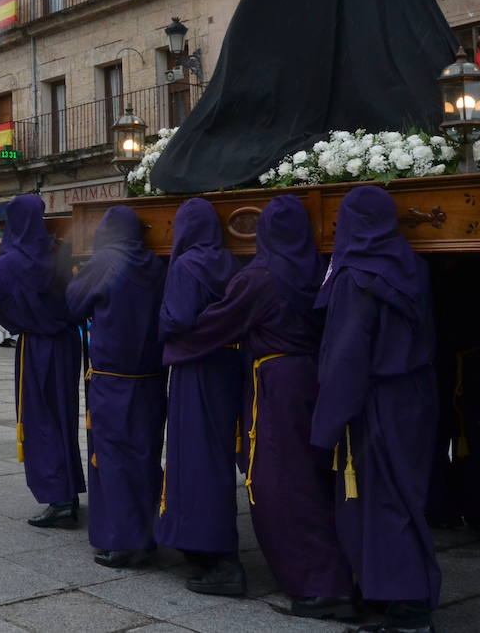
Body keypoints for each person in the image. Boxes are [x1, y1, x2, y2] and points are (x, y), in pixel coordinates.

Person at [188, 195, 353, 618]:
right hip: (315, 377)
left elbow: (215, 323)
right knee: (312, 477)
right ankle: (331, 573)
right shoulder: (321, 267)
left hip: (276, 382)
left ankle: (319, 583)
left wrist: (170, 337)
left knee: (278, 482)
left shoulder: (259, 276)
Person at [312, 185, 441, 633]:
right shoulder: (409, 263)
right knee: (406, 495)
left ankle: (407, 608)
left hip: (377, 400)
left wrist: (326, 422)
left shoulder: (355, 276)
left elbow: (347, 355)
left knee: (383, 501)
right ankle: (395, 595)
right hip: (415, 393)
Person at [0, 194, 85, 528]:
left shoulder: (10, 262)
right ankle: (67, 490)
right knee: (63, 418)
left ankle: (58, 499)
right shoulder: (59, 253)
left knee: (40, 419)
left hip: (38, 346)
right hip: (68, 343)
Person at [65, 206, 167, 570]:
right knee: (145, 457)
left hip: (112, 379)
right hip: (153, 379)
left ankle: (125, 542)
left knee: (113, 459)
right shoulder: (157, 264)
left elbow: (74, 304)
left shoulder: (106, 261)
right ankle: (148, 531)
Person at [156, 197, 244, 596]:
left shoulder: (188, 264)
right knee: (216, 457)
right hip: (228, 367)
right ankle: (204, 544)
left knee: (193, 458)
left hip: (195, 370)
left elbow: (176, 317)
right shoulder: (230, 261)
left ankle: (217, 556)